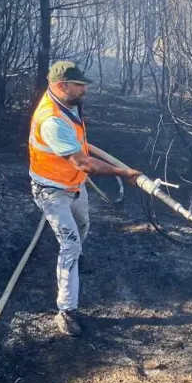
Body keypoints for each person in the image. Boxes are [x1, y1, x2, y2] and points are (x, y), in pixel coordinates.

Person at [29, 60, 142, 336]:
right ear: (60, 86)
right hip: (52, 191)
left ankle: (76, 260)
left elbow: (80, 150)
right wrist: (123, 172)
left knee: (83, 227)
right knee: (69, 245)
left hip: (74, 185)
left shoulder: (67, 106)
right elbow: (85, 164)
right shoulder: (52, 120)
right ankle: (66, 312)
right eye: (79, 86)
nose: (84, 90)